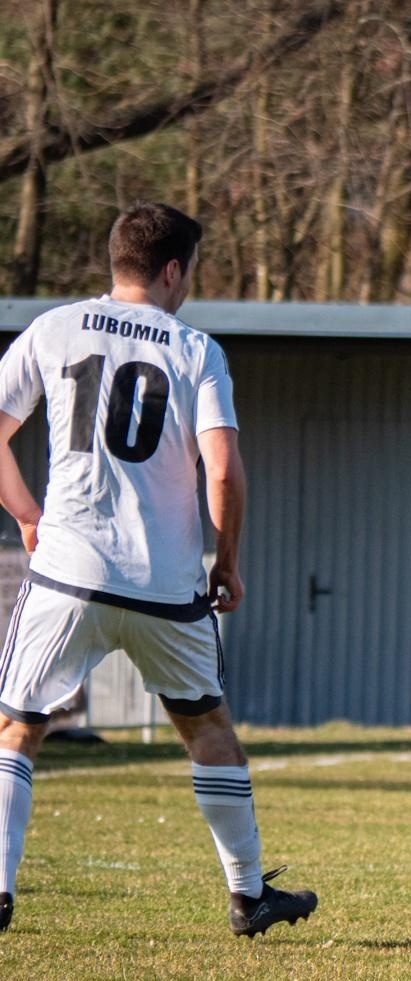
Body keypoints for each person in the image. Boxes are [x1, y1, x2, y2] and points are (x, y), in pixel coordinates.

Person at [0, 202, 316, 938]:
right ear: (174, 269)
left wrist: (25, 514)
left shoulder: (55, 327)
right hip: (166, 584)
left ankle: (0, 886)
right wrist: (227, 560)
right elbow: (225, 472)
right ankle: (247, 895)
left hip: (68, 572)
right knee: (209, 730)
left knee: (16, 729)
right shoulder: (195, 349)